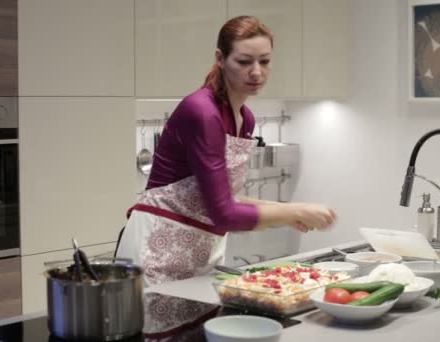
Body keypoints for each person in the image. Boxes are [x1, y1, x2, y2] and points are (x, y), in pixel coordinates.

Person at [116, 15, 337, 286]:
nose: (257, 72)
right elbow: (225, 214)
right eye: (244, 62)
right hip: (156, 251)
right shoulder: (202, 112)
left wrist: (289, 210)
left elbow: (226, 196)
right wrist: (294, 212)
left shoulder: (246, 118)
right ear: (220, 58)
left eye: (265, 61)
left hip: (200, 252)